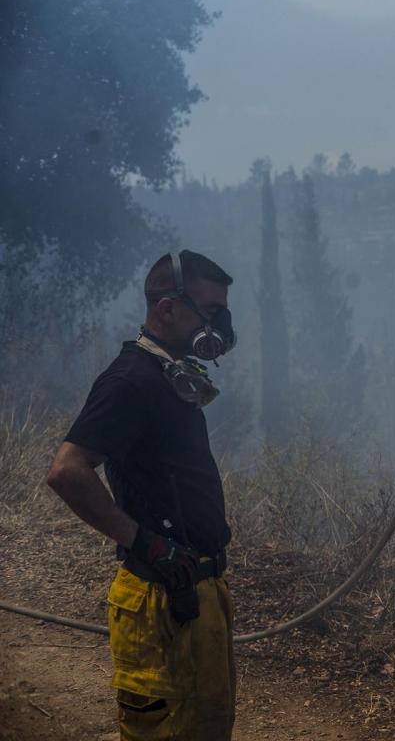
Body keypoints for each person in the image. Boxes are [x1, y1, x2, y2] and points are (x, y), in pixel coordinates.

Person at [46, 250, 238, 740]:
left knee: (208, 726)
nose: (220, 325)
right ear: (167, 309)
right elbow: (68, 471)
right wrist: (146, 542)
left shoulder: (170, 374)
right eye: (211, 312)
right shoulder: (130, 380)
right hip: (157, 601)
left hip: (198, 591)